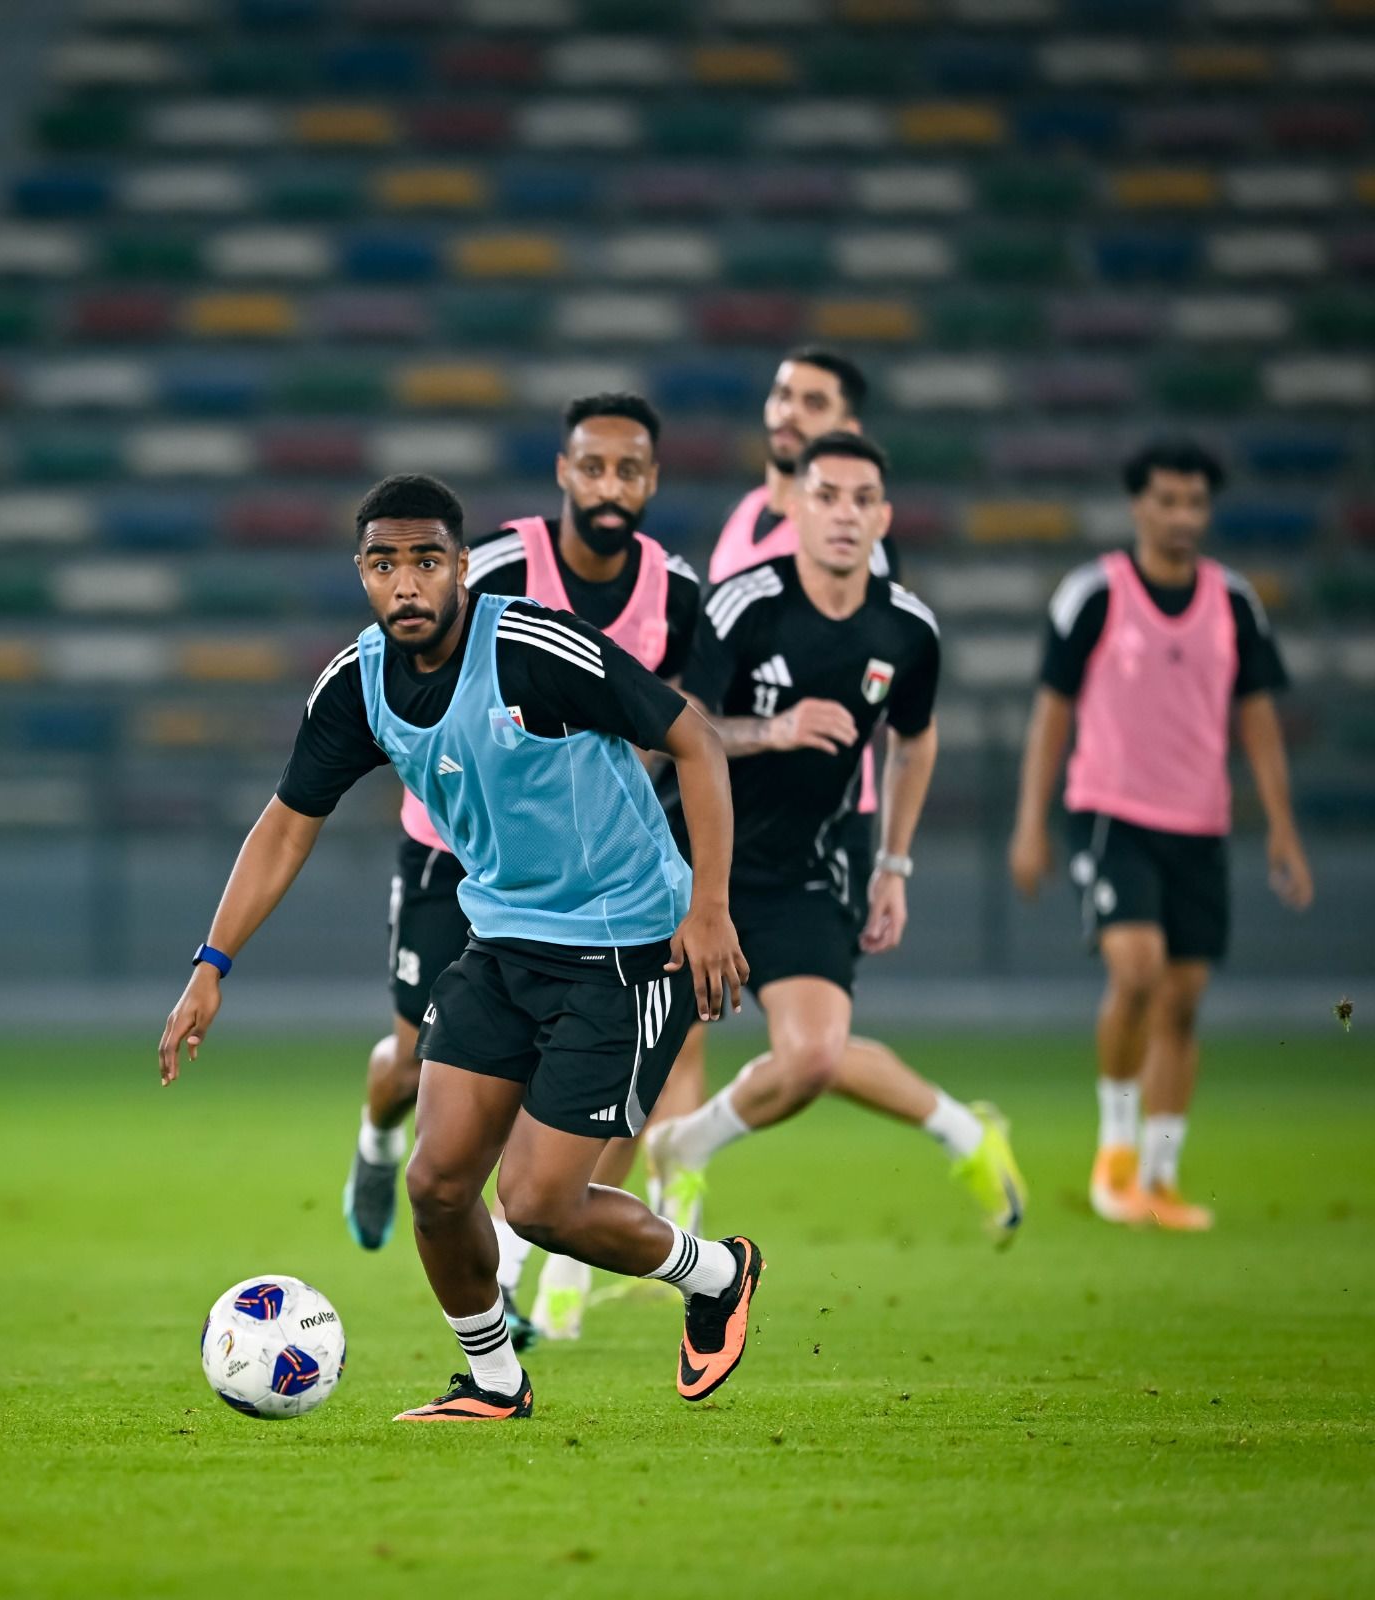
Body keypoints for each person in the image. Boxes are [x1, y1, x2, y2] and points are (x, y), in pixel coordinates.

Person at [159, 473, 760, 1422]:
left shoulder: (530, 647)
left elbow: (698, 741)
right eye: (384, 564)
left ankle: (717, 1274)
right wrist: (210, 965)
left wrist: (712, 908)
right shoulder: (356, 684)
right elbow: (284, 827)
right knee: (437, 1185)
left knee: (538, 1206)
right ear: (361, 574)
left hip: (629, 945)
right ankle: (493, 1384)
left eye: (426, 561)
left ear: (462, 568)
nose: (406, 584)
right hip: (504, 940)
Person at [339, 393, 705, 1348]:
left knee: (527, 1160)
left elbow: (688, 727)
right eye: (594, 466)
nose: (611, 484)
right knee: (411, 1068)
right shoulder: (490, 570)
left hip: (578, 899)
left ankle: (511, 1286)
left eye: (630, 469)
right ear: (564, 471)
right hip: (448, 853)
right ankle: (378, 1146)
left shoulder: (678, 592)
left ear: (652, 480)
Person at [652, 353, 1016, 1242]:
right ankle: (553, 1272)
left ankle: (678, 1158)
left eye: (862, 500)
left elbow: (914, 737)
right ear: (797, 502)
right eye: (781, 394)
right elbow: (682, 721)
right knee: (646, 1044)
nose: (844, 513)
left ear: (881, 515)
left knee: (811, 1053)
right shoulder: (743, 571)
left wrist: (892, 861)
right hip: (696, 842)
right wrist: (771, 731)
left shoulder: (904, 625)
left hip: (816, 843)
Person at [1009, 437, 1313, 1229]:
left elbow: (1258, 721)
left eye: (1195, 503)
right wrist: (1030, 825)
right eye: (1167, 501)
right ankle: (1115, 1155)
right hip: (1111, 813)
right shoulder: (1096, 594)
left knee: (1183, 1000)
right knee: (1137, 969)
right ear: (1138, 504)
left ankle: (1162, 1175)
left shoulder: (1233, 603)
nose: (1182, 517)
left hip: (1199, 822)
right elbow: (1052, 711)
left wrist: (1282, 829)